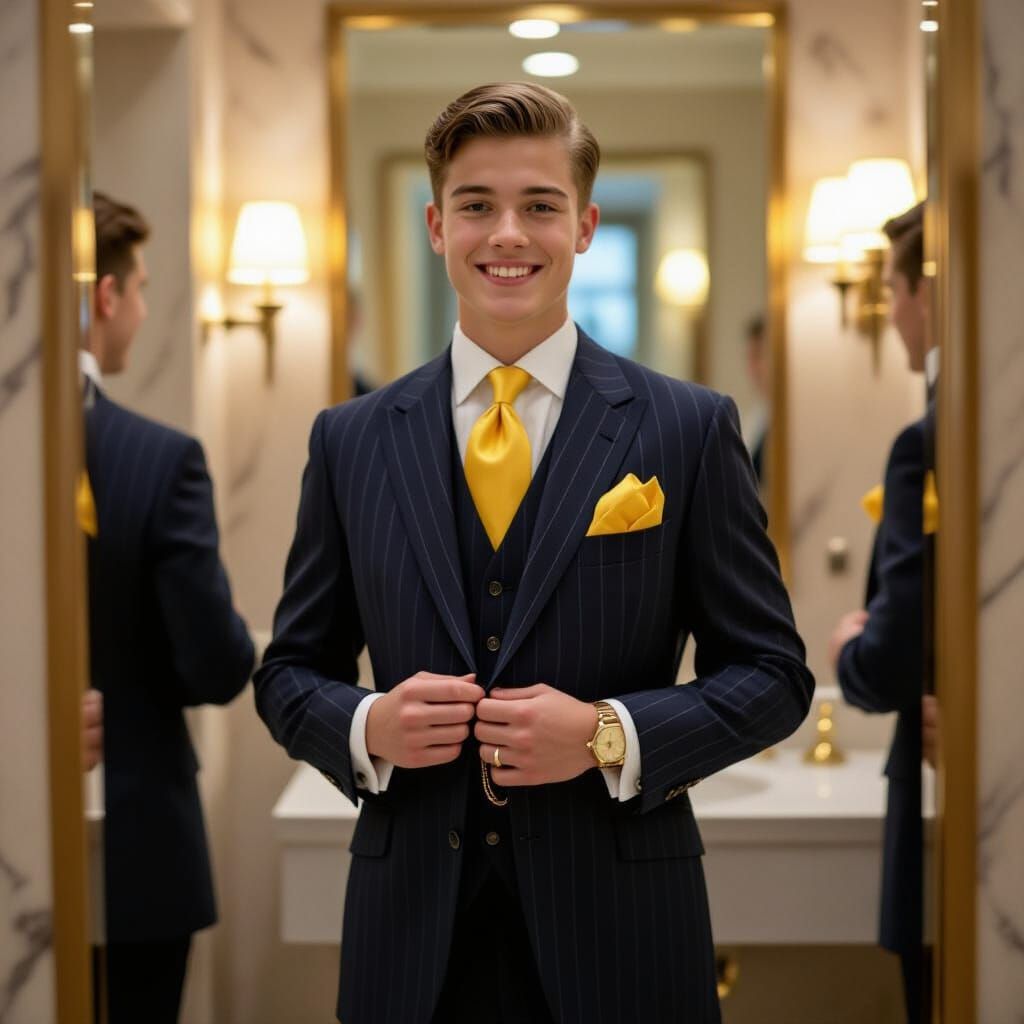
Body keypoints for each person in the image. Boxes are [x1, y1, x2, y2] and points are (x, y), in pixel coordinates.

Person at [255, 83, 813, 1024]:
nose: (506, 232)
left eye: (539, 206)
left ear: (585, 225)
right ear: (436, 225)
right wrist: (366, 729)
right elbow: (287, 673)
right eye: (476, 204)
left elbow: (772, 676)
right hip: (412, 945)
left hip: (623, 933)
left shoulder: (686, 427)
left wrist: (609, 735)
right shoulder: (350, 440)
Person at [83, 192, 255, 1023]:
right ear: (105, 296)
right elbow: (215, 667)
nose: (144, 310)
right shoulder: (158, 461)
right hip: (135, 842)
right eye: (142, 286)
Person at [829, 200, 933, 1023]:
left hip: (946, 797)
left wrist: (852, 652)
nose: (889, 309)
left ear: (927, 293)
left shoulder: (928, 444)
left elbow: (892, 659)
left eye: (894, 286)